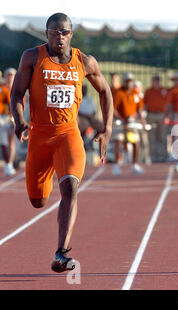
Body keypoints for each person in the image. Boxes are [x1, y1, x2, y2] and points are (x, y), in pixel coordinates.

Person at [9, 13, 113, 272]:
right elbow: (17, 93)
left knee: (70, 189)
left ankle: (61, 252)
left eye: (65, 32)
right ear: (46, 34)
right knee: (38, 202)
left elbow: (105, 91)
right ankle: (49, 199)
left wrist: (107, 128)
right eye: (55, 32)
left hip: (68, 135)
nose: (60, 36)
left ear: (71, 34)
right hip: (39, 137)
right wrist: (18, 120)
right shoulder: (32, 57)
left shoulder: (85, 61)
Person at [111, 72, 146, 175]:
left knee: (135, 141)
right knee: (118, 140)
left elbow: (139, 109)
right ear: (124, 82)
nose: (129, 83)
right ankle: (116, 165)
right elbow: (113, 109)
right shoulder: (119, 92)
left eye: (130, 81)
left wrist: (142, 120)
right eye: (127, 81)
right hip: (120, 122)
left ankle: (134, 164)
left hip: (131, 122)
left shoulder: (136, 93)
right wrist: (121, 118)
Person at [144, 75, 168, 162]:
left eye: (157, 81)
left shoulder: (164, 90)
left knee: (162, 136)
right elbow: (145, 104)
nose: (156, 83)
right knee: (152, 137)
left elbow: (168, 103)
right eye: (154, 81)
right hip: (151, 115)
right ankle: (153, 157)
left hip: (161, 115)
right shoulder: (148, 91)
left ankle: (163, 156)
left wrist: (166, 115)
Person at [0, 68, 17, 176]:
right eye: (8, 75)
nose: (10, 77)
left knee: (11, 142)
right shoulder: (3, 88)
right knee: (3, 142)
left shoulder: (18, 88)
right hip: (3, 118)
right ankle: (8, 164)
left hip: (12, 118)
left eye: (11, 75)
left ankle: (9, 164)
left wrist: (16, 118)